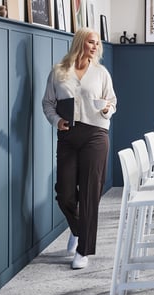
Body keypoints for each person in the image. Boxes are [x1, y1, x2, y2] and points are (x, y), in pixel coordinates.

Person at [42, 27, 117, 269]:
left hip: (96, 134)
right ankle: (77, 229)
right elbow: (48, 103)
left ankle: (83, 250)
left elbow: (112, 101)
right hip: (68, 135)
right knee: (64, 193)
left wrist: (107, 109)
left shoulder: (101, 73)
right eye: (91, 42)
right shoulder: (59, 72)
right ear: (80, 43)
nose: (95, 47)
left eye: (97, 43)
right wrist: (57, 121)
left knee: (89, 193)